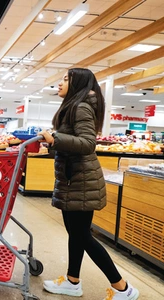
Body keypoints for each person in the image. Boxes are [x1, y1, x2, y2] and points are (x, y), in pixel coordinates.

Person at [38, 68, 139, 300]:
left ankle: (123, 288)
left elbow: (87, 143)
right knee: (76, 234)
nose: (59, 83)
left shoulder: (81, 107)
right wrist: (55, 143)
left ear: (78, 83)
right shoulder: (72, 107)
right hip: (74, 179)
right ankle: (73, 282)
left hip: (81, 181)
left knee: (82, 235)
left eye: (65, 79)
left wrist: (55, 138)